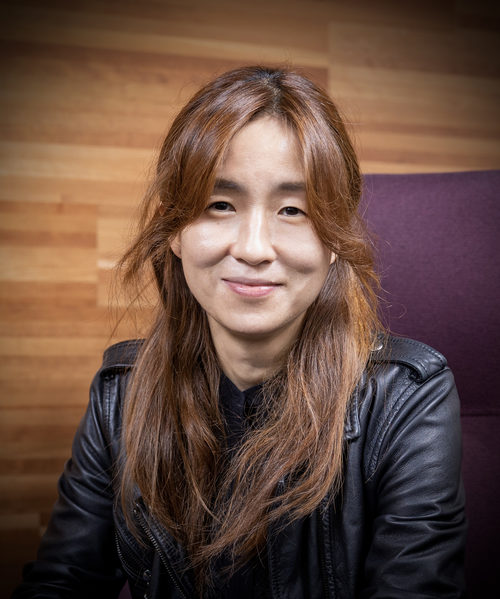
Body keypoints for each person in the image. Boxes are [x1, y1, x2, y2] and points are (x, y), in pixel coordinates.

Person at [13, 66, 466, 599]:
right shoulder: (121, 394)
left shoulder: (409, 398)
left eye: (293, 210)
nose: (253, 248)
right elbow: (62, 582)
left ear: (336, 239)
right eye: (220, 205)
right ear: (174, 230)